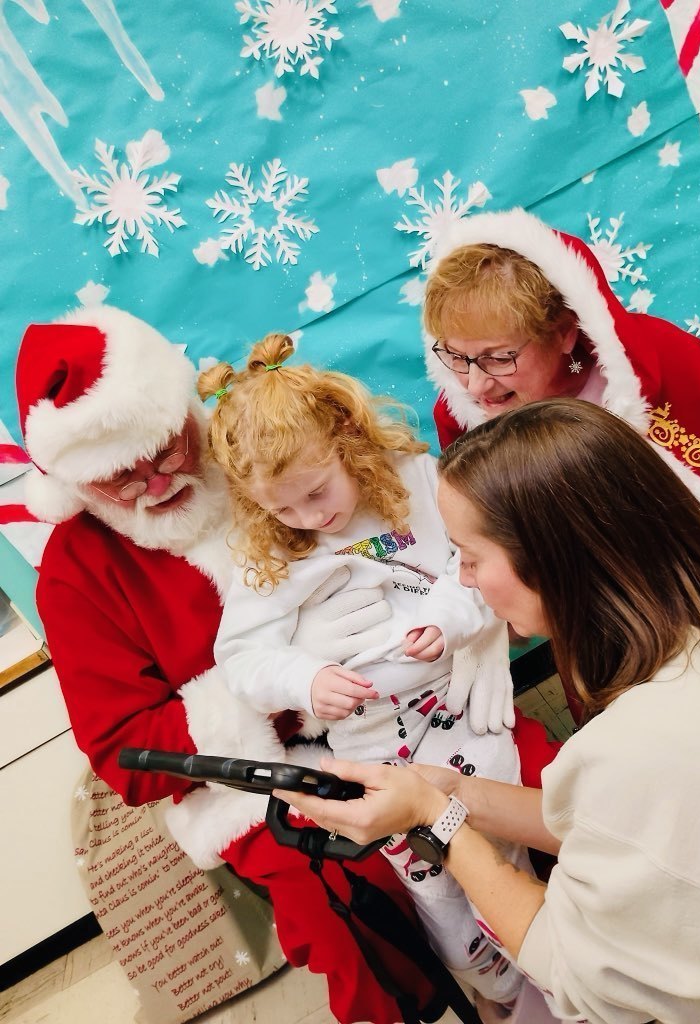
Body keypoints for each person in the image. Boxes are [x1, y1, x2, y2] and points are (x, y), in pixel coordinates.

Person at [14, 304, 443, 1024]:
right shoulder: (73, 571)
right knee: (348, 904)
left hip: (402, 696)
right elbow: (128, 754)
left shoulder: (253, 441)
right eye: (121, 479)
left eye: (167, 451)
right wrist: (284, 685)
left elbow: (399, 516)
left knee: (524, 784)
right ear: (75, 484)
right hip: (255, 783)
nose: (156, 484)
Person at [283, 398, 700, 1024]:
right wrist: (449, 789)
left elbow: (585, 981)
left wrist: (440, 823)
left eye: (471, 556)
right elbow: (620, 825)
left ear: (552, 556)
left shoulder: (645, 747)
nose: (463, 579)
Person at [200, 333, 534, 1017]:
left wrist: (451, 620)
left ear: (346, 438)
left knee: (505, 852)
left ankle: (550, 970)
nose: (308, 518)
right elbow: (241, 658)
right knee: (437, 885)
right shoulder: (273, 554)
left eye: (317, 493)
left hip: (463, 708)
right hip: (376, 744)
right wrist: (304, 677)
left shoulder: (415, 480)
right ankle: (503, 996)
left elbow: (475, 564)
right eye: (282, 508)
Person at [423, 205, 700, 568]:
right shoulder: (458, 418)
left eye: (499, 357)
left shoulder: (663, 357)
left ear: (563, 333)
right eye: (457, 356)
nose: (475, 385)